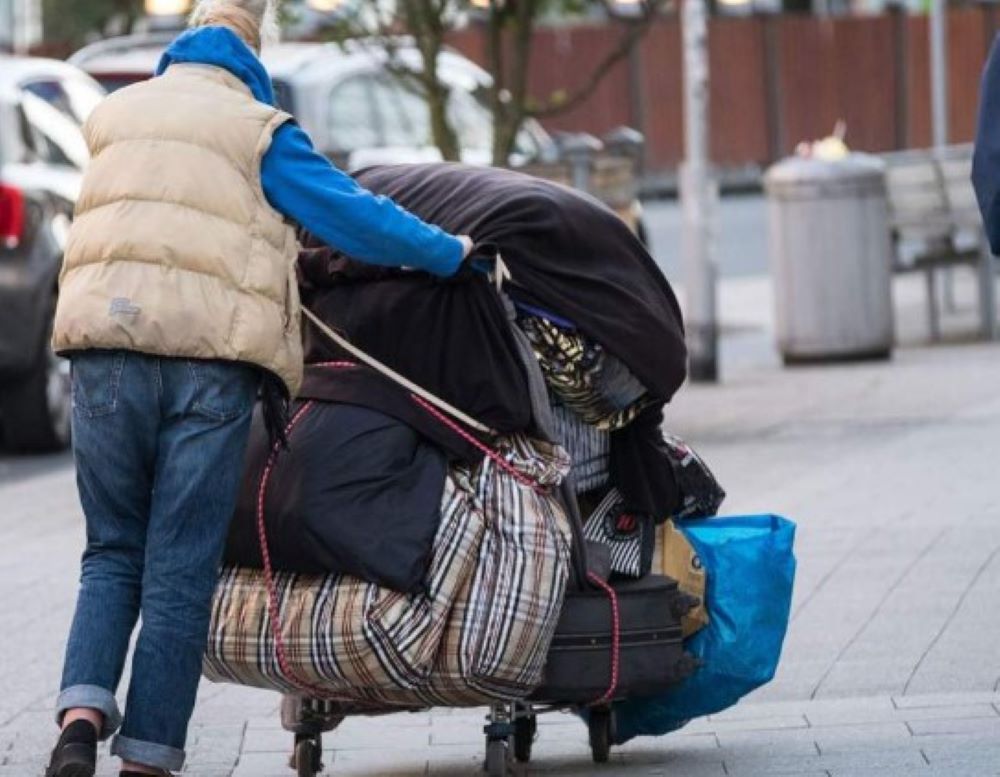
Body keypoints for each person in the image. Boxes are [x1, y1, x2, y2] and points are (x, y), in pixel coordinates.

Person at [45, 2, 473, 775]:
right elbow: (353, 215)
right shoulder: (258, 129)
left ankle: (78, 721)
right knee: (180, 565)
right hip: (207, 363)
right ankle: (145, 760)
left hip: (103, 349)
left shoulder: (115, 115)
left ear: (179, 50)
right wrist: (450, 253)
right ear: (250, 57)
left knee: (111, 550)